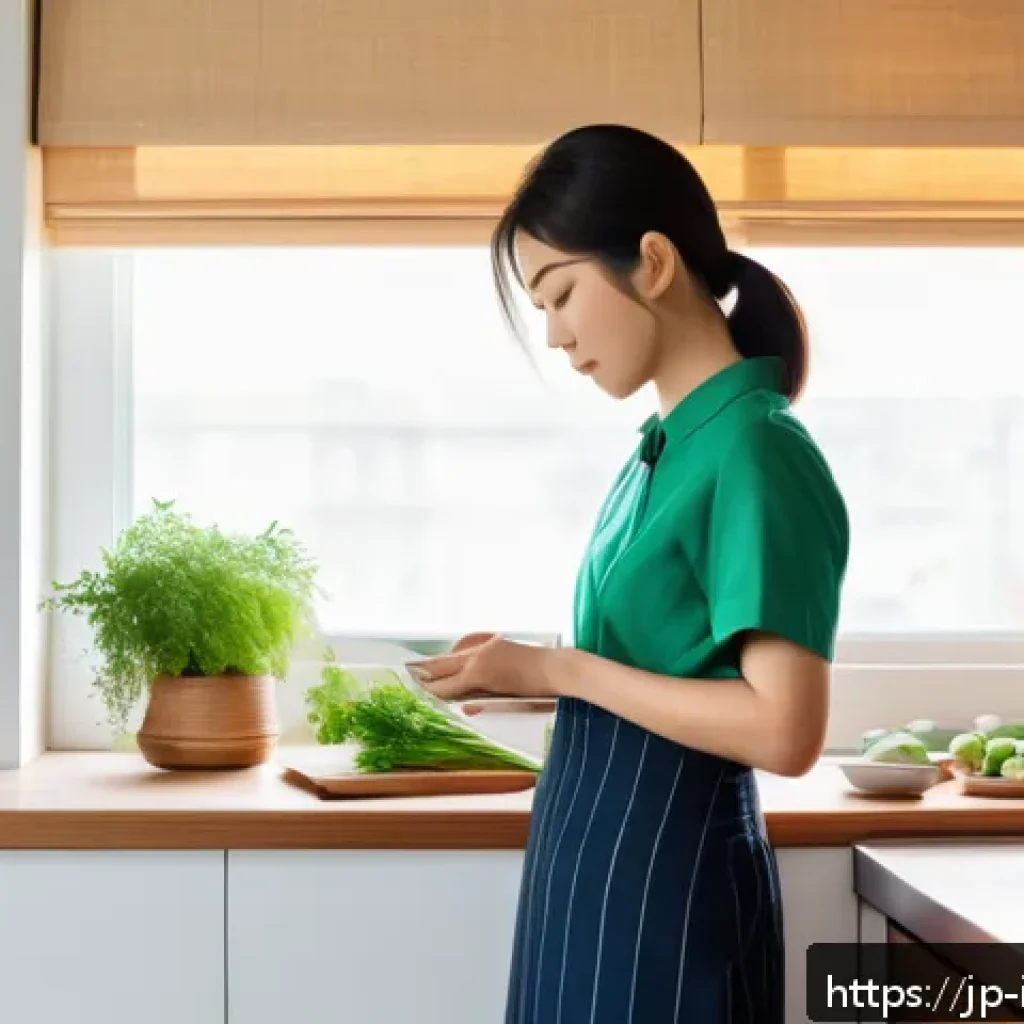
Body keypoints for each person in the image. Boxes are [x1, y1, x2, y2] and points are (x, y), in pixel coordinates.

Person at [408, 124, 850, 1024]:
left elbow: (785, 730)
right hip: (587, 870)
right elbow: (658, 669)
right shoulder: (661, 450)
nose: (556, 337)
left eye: (560, 294)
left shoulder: (755, 451)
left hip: (667, 894)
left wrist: (558, 669)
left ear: (651, 262)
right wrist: (517, 670)